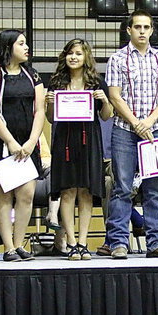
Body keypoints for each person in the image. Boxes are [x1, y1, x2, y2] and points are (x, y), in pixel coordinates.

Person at [105, 9, 158, 259]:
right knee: (122, 188)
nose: (143, 32)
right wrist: (136, 122)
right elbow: (114, 96)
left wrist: (149, 121)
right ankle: (118, 243)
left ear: (152, 30)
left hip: (156, 130)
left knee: (155, 189)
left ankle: (156, 243)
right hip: (125, 130)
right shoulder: (117, 59)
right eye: (138, 27)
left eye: (147, 27)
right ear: (129, 30)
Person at [0, 30, 45, 262]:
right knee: (4, 195)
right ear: (7, 47)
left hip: (27, 144)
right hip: (1, 143)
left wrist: (31, 141)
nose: (27, 48)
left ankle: (19, 244)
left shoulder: (32, 74)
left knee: (26, 194)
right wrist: (10, 141)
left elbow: (40, 111)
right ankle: (7, 247)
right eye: (21, 44)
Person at [45, 39, 113, 260]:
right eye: (70, 53)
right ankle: (71, 243)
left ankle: (83, 243)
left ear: (86, 58)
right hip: (64, 139)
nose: (73, 57)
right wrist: (50, 103)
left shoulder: (96, 82)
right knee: (67, 191)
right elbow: (49, 118)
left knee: (85, 191)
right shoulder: (56, 81)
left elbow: (106, 116)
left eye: (78, 54)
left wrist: (105, 101)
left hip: (89, 139)